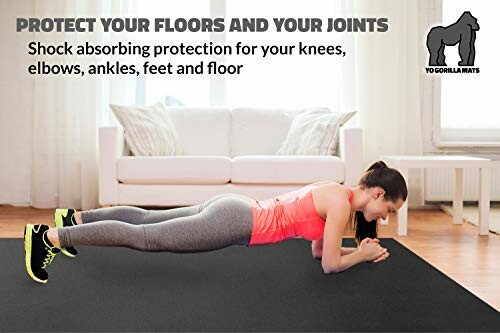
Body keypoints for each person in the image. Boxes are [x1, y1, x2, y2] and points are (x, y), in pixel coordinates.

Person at [24, 160, 407, 283]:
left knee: (145, 219)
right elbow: (328, 266)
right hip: (237, 222)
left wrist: (352, 249)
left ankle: (74, 219)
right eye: (388, 209)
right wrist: (360, 254)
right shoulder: (341, 207)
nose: (384, 218)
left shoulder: (335, 191)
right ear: (377, 194)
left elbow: (318, 249)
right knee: (145, 237)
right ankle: (50, 237)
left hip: (236, 207)